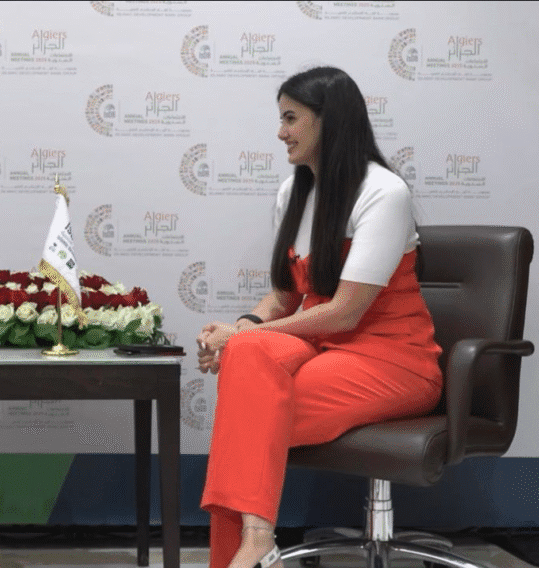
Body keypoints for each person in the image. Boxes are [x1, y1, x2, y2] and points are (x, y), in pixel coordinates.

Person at [196, 66, 443, 568]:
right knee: (248, 364)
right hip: (322, 347)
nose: (280, 132)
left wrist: (241, 340)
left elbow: (344, 312)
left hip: (393, 360)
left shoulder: (384, 192)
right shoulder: (293, 192)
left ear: (329, 121)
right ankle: (256, 541)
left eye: (291, 118)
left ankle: (247, 549)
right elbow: (284, 297)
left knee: (246, 413)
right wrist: (242, 328)